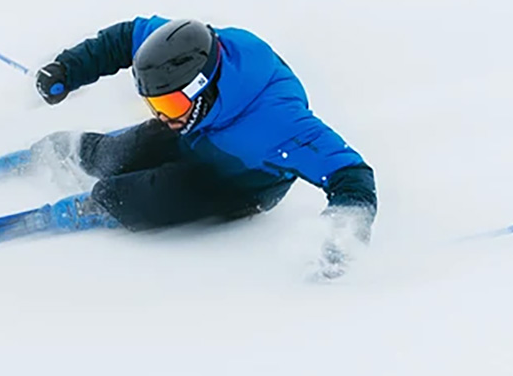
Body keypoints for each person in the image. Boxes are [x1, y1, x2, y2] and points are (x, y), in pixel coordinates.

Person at [21, 15, 378, 277]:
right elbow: (125, 38)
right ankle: (83, 152)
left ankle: (102, 204)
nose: (162, 114)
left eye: (171, 105)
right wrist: (68, 69)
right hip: (202, 132)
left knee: (133, 195)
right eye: (155, 104)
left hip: (241, 182)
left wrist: (341, 234)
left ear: (202, 87)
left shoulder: (277, 124)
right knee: (124, 150)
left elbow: (350, 173)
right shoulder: (184, 53)